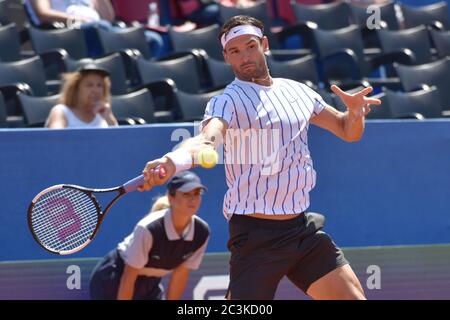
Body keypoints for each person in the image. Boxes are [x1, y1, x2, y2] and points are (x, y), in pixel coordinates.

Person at [139, 15, 381, 300]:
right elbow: (207, 138)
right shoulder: (226, 100)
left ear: (264, 45)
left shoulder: (298, 91)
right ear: (226, 58)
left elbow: (346, 130)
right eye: (235, 51)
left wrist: (354, 114)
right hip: (256, 238)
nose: (244, 56)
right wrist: (173, 160)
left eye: (250, 46)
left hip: (302, 230)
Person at [89, 171, 210, 300]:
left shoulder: (201, 232)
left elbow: (180, 275)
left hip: (150, 283)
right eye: (186, 194)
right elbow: (128, 278)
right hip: (115, 277)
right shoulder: (148, 229)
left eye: (197, 194)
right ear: (171, 197)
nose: (193, 199)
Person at [26, 0, 165, 57]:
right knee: (100, 27)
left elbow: (108, 17)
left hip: (100, 29)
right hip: (65, 32)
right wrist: (78, 19)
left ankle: (134, 81)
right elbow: (43, 14)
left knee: (153, 39)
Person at [45, 63, 118, 128]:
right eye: (89, 85)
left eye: (99, 85)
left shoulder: (104, 113)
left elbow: (120, 140)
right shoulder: (61, 111)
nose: (96, 90)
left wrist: (109, 118)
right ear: (76, 89)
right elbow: (55, 138)